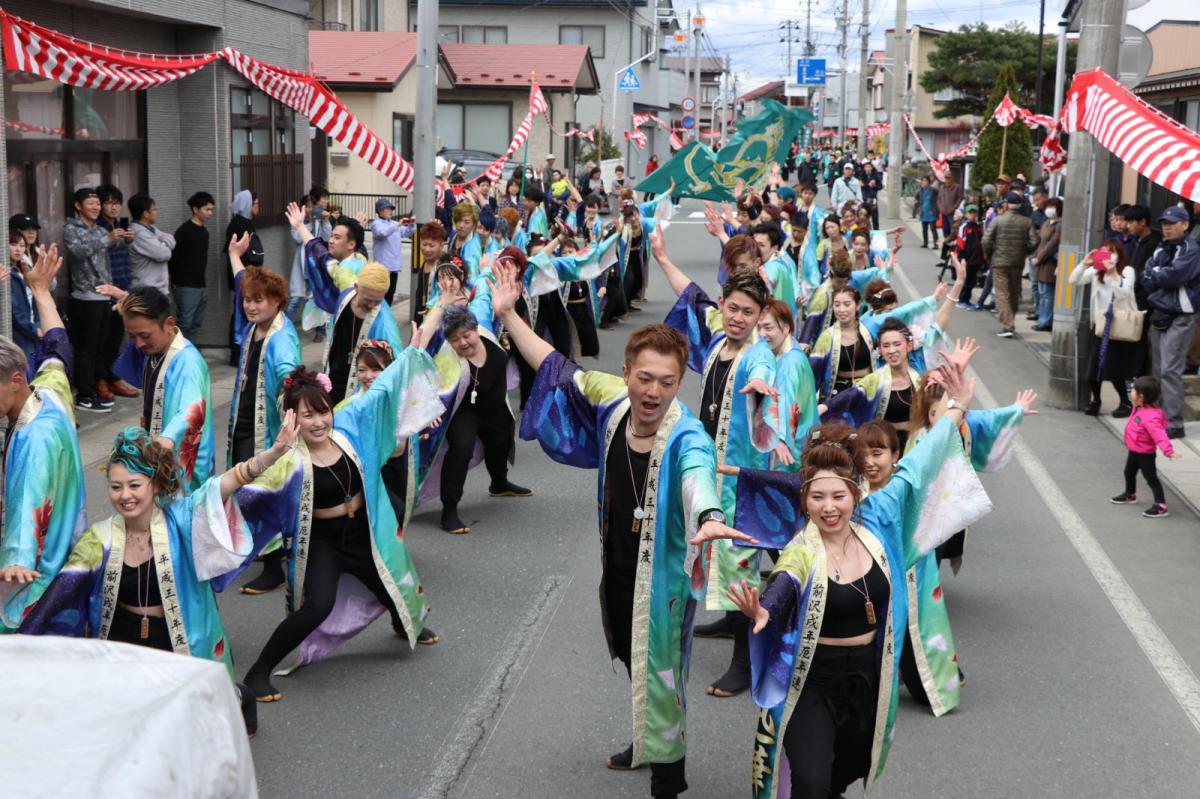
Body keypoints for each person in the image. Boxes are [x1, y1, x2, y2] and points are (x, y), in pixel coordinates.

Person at [492, 254, 752, 799]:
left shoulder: (687, 439)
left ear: (680, 381)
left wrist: (708, 515)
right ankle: (645, 737)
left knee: (661, 672)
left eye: (667, 382)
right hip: (617, 559)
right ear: (627, 373)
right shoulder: (612, 403)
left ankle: (668, 777)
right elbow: (556, 367)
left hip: (663, 580)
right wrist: (510, 316)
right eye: (644, 379)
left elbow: (699, 479)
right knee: (633, 657)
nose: (653, 392)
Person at [722, 363, 996, 799]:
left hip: (870, 674)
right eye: (817, 498)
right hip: (812, 678)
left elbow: (920, 464)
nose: (829, 508)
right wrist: (765, 611)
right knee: (810, 781)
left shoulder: (882, 516)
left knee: (847, 769)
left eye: (838, 496)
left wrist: (957, 408)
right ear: (805, 502)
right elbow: (785, 580)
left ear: (855, 493)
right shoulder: (802, 549)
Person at [18, 416, 304, 732]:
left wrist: (274, 453)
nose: (125, 495)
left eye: (134, 485)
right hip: (123, 639)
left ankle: (240, 697)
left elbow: (224, 484)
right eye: (116, 487)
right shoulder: (99, 539)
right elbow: (63, 594)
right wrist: (21, 647)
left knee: (195, 712)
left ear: (154, 484)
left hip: (176, 633)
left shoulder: (180, 520)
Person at [239, 360, 445, 701]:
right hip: (324, 541)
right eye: (307, 415)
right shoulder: (288, 460)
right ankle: (258, 672)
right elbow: (251, 493)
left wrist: (423, 335)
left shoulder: (347, 428)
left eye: (322, 412)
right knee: (317, 606)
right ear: (292, 419)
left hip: (362, 533)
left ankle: (405, 622)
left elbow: (382, 389)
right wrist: (276, 451)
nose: (318, 422)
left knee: (389, 580)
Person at [653, 230, 778, 698]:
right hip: (711, 469)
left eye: (749, 312)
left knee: (742, 569)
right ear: (723, 305)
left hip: (739, 483)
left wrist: (762, 386)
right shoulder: (718, 338)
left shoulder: (756, 355)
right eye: (733, 308)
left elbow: (764, 366)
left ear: (761, 315)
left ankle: (746, 666)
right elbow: (690, 293)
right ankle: (729, 621)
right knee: (722, 559)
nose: (739, 318)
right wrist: (663, 256)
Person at [0, 246, 87, 630]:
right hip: (71, 549)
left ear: (17, 379)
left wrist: (14, 562)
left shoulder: (32, 440)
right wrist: (41, 291)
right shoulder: (49, 392)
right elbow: (58, 345)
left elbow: (25, 508)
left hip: (39, 571)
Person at [415, 264, 530, 534]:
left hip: (494, 406)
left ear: (476, 329)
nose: (463, 343)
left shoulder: (487, 330)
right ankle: (450, 511)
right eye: (456, 340)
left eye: (466, 335)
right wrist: (440, 307)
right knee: (462, 448)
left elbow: (483, 296)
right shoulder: (446, 357)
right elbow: (420, 347)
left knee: (501, 440)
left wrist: (489, 268)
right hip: (463, 412)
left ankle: (499, 483)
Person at [226, 233, 303, 594]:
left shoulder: (281, 339)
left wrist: (290, 408)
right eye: (246, 301)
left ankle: (274, 565)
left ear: (277, 301)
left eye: (258, 300)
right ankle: (260, 549)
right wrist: (233, 256)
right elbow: (243, 280)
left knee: (262, 490)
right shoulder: (259, 327)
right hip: (244, 421)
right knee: (246, 486)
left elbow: (290, 381)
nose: (251, 306)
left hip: (266, 429)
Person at [99, 286, 216, 496]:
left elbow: (192, 408)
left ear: (169, 324)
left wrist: (167, 439)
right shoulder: (154, 349)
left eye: (144, 335)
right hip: (158, 453)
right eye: (131, 336)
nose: (138, 343)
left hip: (180, 462)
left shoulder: (188, 362)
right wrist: (129, 301)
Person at [289, 201, 401, 406]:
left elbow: (320, 256)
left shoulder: (349, 275)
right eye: (331, 236)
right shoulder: (358, 260)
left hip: (358, 372)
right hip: (344, 360)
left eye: (336, 237)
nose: (330, 241)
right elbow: (321, 255)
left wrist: (300, 227)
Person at [64, 187, 125, 413]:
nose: (96, 207)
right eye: (91, 203)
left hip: (103, 295)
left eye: (98, 203)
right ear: (78, 206)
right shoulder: (71, 228)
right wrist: (107, 239)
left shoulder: (99, 228)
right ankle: (84, 394)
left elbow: (112, 246)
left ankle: (94, 390)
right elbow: (78, 252)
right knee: (86, 349)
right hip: (84, 297)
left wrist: (123, 238)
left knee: (100, 346)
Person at [1141, 205, 1200, 439]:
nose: (1167, 227)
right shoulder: (1160, 247)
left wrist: (1158, 275)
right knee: (1157, 369)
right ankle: (1157, 417)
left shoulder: (1191, 249)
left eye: (1172, 223)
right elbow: (1146, 277)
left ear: (1185, 225)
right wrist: (1159, 275)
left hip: (1182, 315)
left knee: (1169, 369)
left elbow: (1176, 276)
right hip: (1161, 312)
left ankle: (1174, 423)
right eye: (1164, 223)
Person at [1069, 242, 1136, 417]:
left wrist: (1113, 273)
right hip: (1099, 325)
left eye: (1111, 252)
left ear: (1118, 254)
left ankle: (1125, 402)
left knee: (1114, 368)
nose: (1108, 256)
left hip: (1119, 327)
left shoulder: (1127, 271)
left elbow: (1124, 293)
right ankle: (1096, 400)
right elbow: (1073, 280)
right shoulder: (1096, 272)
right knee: (1093, 366)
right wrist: (1085, 263)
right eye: (1104, 252)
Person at [757, 300, 818, 470]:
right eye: (759, 328)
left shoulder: (789, 363)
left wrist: (779, 439)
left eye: (768, 328)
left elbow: (784, 402)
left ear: (785, 328)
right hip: (804, 444)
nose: (762, 334)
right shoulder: (793, 350)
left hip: (789, 454)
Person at [1111, 376, 1182, 518]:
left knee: (1151, 479)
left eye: (1133, 390)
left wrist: (1168, 451)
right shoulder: (1139, 408)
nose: (1131, 392)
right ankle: (1130, 494)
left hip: (1145, 454)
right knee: (1128, 472)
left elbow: (1159, 434)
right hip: (1134, 451)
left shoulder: (1151, 417)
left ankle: (1161, 505)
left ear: (1141, 396)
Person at [982, 191, 1038, 338]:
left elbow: (986, 240)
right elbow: (1035, 241)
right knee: (1014, 293)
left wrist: (989, 255)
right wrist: (1025, 251)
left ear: (1006, 205)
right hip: (1017, 262)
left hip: (999, 262)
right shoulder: (1027, 222)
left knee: (1002, 294)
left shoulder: (998, 221)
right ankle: (1010, 320)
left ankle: (1007, 325)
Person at [224, 190, 264, 364]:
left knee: (242, 312)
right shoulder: (241, 225)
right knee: (241, 313)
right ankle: (237, 351)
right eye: (255, 203)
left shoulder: (239, 222)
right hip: (243, 275)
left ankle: (239, 351)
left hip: (243, 274)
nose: (257, 207)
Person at [168, 191, 214, 341]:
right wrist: (174, 282)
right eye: (207, 209)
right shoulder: (184, 231)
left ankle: (191, 354)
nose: (210, 213)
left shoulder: (204, 232)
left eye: (211, 209)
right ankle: (178, 354)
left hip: (201, 284)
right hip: (185, 285)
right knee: (184, 323)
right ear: (195, 209)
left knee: (196, 324)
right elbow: (173, 258)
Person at [1123, 204, 1161, 378]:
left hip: (1145, 296)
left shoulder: (1155, 243)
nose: (1127, 226)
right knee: (1131, 334)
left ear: (1143, 222)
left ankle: (1137, 375)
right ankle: (1131, 371)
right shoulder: (1133, 241)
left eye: (1131, 222)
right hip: (1130, 293)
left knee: (1140, 336)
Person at [287, 193, 333, 335]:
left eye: (312, 207)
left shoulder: (319, 221)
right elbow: (298, 239)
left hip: (315, 267)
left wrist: (325, 221)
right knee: (294, 300)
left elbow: (326, 237)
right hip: (302, 267)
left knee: (317, 298)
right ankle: (287, 330)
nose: (310, 210)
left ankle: (320, 331)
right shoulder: (298, 222)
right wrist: (305, 224)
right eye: (307, 207)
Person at [127, 193, 175, 295]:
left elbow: (172, 238)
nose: (156, 212)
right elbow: (164, 254)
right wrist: (164, 243)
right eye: (154, 209)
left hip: (158, 290)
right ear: (145, 214)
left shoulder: (151, 229)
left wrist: (163, 242)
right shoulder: (139, 233)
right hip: (146, 291)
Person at [1029, 197, 1062, 332]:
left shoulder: (1060, 224)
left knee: (1047, 295)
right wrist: (1036, 256)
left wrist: (1039, 258)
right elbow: (1040, 241)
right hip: (1041, 263)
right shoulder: (1046, 223)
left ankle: (1045, 321)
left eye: (1052, 206)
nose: (1049, 210)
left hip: (1050, 264)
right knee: (1043, 293)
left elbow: (1052, 244)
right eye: (1048, 206)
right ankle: (1042, 319)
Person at [8, 232, 37, 361]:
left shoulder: (23, 269)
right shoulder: (7, 273)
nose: (18, 249)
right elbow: (14, 311)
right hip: (19, 333)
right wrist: (34, 330)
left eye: (22, 245)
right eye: (13, 244)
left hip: (30, 328)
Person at [369, 198, 404, 305]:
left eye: (391, 209)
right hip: (382, 266)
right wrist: (397, 225)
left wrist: (412, 224)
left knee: (391, 293)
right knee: (381, 294)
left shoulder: (394, 223)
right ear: (380, 211)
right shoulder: (376, 224)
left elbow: (407, 232)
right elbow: (382, 233)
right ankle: (379, 316)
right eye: (387, 209)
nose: (390, 211)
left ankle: (386, 316)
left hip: (394, 266)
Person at [936, 172, 963, 261]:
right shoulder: (942, 187)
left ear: (952, 178)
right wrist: (940, 207)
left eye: (949, 178)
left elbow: (960, 198)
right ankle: (944, 257)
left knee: (953, 234)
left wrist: (954, 207)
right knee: (945, 234)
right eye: (946, 178)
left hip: (952, 214)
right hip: (944, 213)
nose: (947, 180)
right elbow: (939, 198)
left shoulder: (957, 187)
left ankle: (951, 256)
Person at [918, 176, 939, 248]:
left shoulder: (933, 190)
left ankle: (936, 244)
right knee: (924, 229)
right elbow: (917, 197)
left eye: (925, 181)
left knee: (933, 229)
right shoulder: (921, 190)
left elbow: (938, 197)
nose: (923, 182)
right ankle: (925, 243)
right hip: (923, 212)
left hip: (931, 212)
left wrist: (936, 208)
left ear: (928, 182)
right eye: (922, 181)